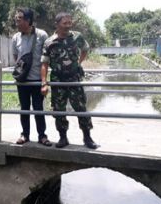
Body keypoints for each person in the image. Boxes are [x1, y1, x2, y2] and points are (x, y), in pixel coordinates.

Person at [40, 12, 98, 149]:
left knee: (81, 108)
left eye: (69, 23)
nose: (67, 26)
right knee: (59, 110)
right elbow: (44, 64)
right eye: (64, 23)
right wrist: (44, 83)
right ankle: (63, 137)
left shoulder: (77, 37)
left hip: (74, 78)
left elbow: (85, 50)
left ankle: (87, 137)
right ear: (57, 24)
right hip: (58, 80)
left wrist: (78, 63)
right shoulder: (49, 42)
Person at [12, 8, 51, 146]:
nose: (16, 22)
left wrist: (44, 82)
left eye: (19, 19)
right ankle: (25, 134)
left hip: (37, 80)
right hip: (22, 81)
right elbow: (16, 57)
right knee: (24, 109)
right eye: (16, 19)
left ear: (28, 21)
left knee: (38, 108)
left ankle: (42, 135)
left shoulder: (42, 35)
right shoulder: (16, 37)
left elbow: (46, 60)